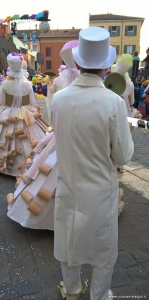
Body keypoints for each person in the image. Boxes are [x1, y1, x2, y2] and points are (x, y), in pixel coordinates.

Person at [51, 26, 134, 300]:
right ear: (107, 66)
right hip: (99, 192)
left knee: (68, 243)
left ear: (77, 62)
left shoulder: (59, 100)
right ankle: (98, 296)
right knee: (103, 252)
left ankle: (72, 290)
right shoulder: (113, 103)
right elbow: (122, 156)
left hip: (68, 187)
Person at [6, 41, 80, 227]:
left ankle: (33, 212)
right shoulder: (82, 84)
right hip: (80, 139)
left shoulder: (57, 82)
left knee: (46, 168)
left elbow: (52, 110)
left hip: (58, 134)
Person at [0, 52, 50, 177]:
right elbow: (33, 102)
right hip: (26, 112)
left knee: (4, 136)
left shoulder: (5, 84)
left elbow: (1, 102)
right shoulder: (28, 84)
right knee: (29, 138)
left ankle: (2, 163)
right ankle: (29, 162)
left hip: (10, 112)